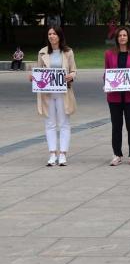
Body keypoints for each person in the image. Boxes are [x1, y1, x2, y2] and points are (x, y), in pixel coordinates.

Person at [31, 27, 77, 166]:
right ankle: (52, 154)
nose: (51, 36)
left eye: (54, 34)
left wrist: (71, 76)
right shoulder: (42, 52)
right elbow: (38, 71)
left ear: (59, 36)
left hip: (63, 92)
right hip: (47, 93)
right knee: (50, 123)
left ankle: (63, 154)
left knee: (64, 123)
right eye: (49, 34)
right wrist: (33, 77)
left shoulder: (68, 52)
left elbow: (74, 70)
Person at [105, 27, 130, 166]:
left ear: (128, 37)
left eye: (124, 35)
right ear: (116, 38)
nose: (122, 37)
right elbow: (107, 73)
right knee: (116, 126)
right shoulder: (109, 54)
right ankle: (117, 154)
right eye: (120, 35)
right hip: (114, 96)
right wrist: (106, 83)